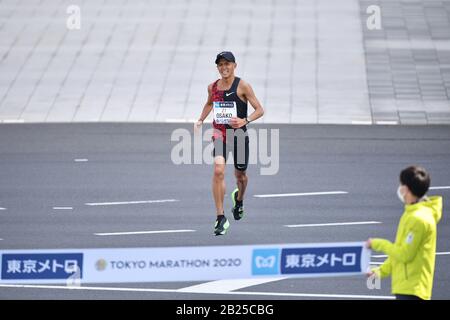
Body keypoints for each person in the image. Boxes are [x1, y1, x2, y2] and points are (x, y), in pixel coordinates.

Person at [195, 51, 264, 236]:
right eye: (220, 64)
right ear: (217, 67)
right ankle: (220, 217)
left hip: (239, 136)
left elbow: (260, 110)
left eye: (227, 64)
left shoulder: (243, 86)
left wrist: (245, 120)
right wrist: (200, 120)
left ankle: (239, 200)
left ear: (235, 65)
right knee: (218, 171)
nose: (224, 67)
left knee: (240, 176)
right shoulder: (212, 87)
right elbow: (209, 104)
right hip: (219, 134)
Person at [366, 165, 442, 300]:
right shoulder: (411, 214)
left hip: (413, 290)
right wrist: (380, 272)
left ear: (406, 189)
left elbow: (405, 255)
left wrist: (378, 244)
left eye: (401, 184)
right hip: (407, 287)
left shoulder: (418, 219)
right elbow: (400, 251)